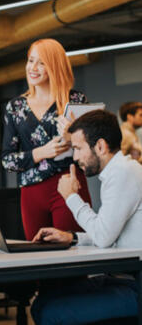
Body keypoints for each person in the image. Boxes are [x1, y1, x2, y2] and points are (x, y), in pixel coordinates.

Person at [31, 109, 142, 325]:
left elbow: (103, 238)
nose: (74, 157)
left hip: (134, 285)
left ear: (100, 146)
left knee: (51, 313)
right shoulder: (117, 172)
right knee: (42, 302)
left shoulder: (124, 174)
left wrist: (71, 196)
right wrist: (71, 237)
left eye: (78, 148)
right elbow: (108, 231)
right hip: (121, 279)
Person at [2, 38, 92, 240]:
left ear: (55, 66)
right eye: (31, 60)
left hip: (69, 187)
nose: (33, 68)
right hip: (31, 193)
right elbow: (7, 161)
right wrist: (41, 153)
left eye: (41, 63)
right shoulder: (15, 107)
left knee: (73, 255)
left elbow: (95, 153)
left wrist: (73, 138)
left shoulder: (75, 101)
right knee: (38, 258)